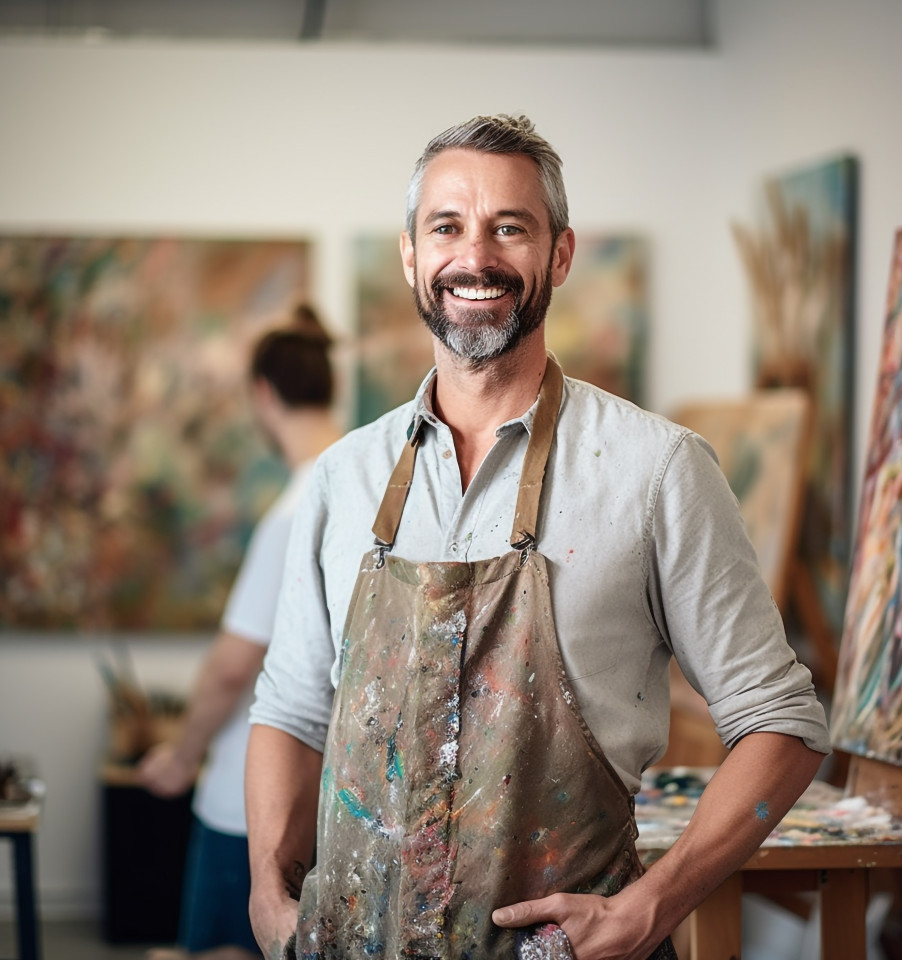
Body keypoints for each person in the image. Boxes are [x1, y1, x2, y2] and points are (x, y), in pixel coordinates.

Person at [246, 115, 831, 960]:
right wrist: (269, 894)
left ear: (558, 255)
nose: (473, 257)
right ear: (411, 254)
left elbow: (781, 722)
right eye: (446, 226)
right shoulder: (345, 477)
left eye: (508, 228)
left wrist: (651, 908)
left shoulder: (656, 469)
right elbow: (291, 709)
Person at [137, 305, 341, 960]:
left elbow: (233, 666)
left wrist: (182, 753)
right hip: (333, 794)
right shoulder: (370, 484)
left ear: (263, 394)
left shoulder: (294, 510)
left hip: (252, 799)